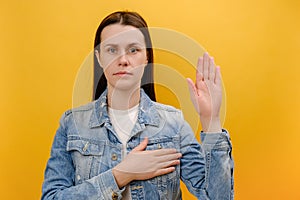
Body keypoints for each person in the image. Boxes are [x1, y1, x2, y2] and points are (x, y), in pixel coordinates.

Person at [42, 11, 234, 200]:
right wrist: (121, 174)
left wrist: (211, 121)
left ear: (147, 58)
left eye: (133, 50)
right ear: (99, 58)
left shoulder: (173, 124)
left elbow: (217, 197)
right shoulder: (72, 123)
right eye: (112, 50)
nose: (123, 60)